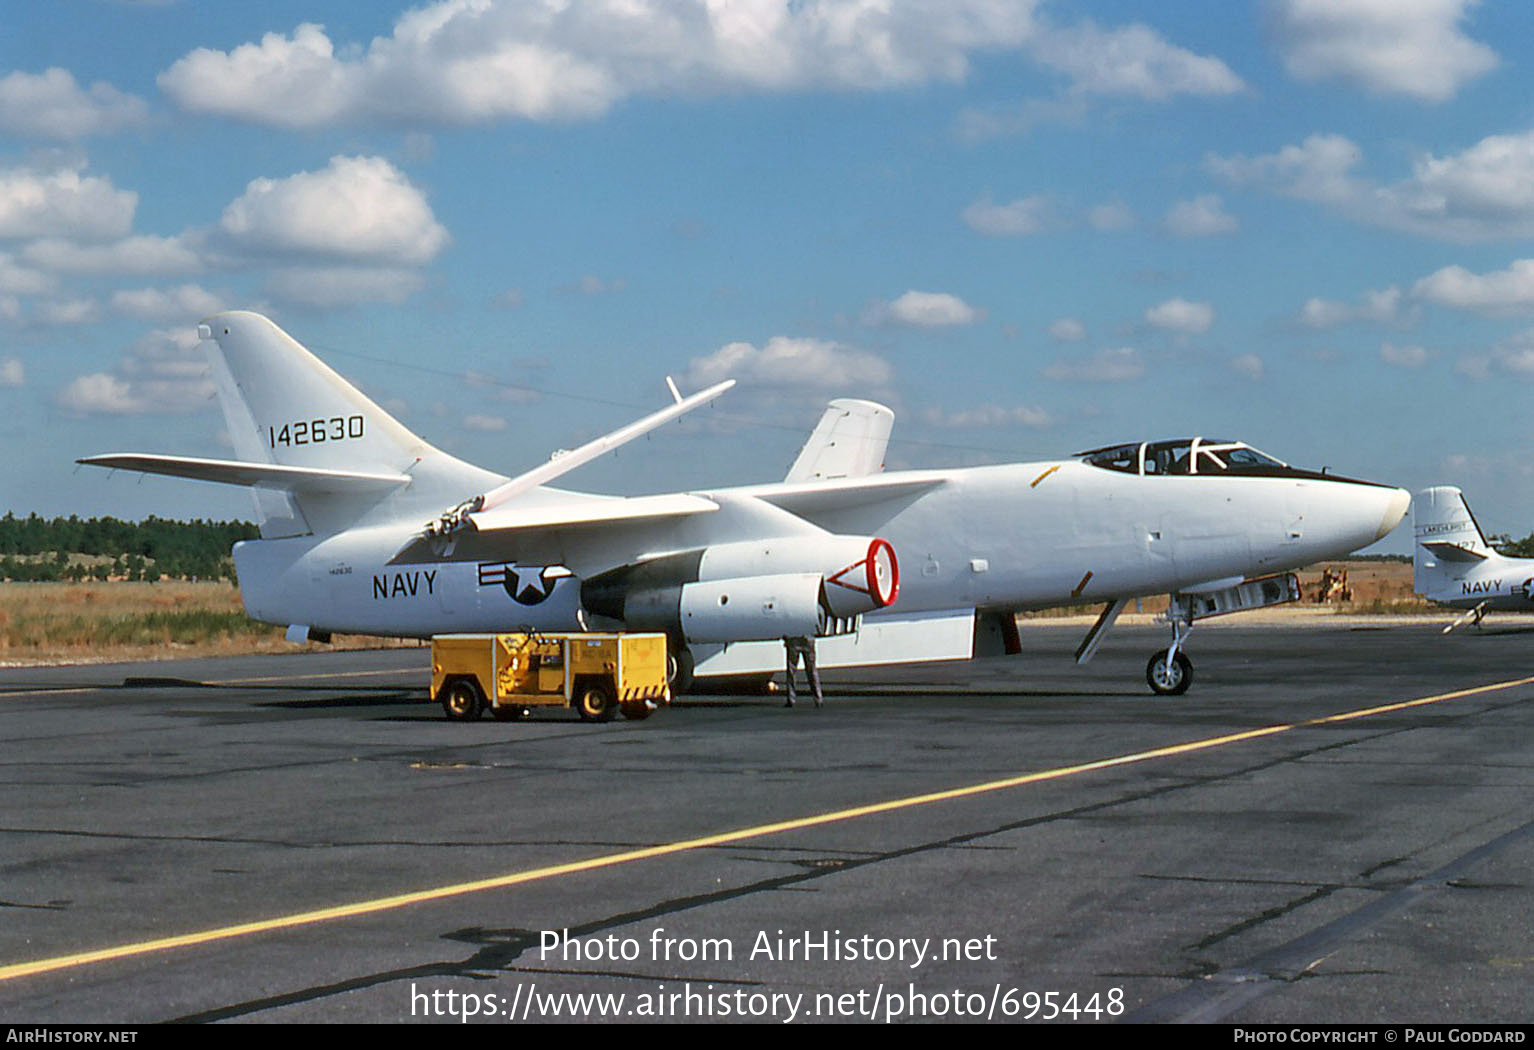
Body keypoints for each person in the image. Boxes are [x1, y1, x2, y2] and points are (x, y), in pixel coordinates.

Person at [783, 635, 823, 708]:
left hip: (793, 640)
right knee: (811, 670)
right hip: (808, 639)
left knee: (791, 671)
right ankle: (818, 698)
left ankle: (791, 698)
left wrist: (785, 637)